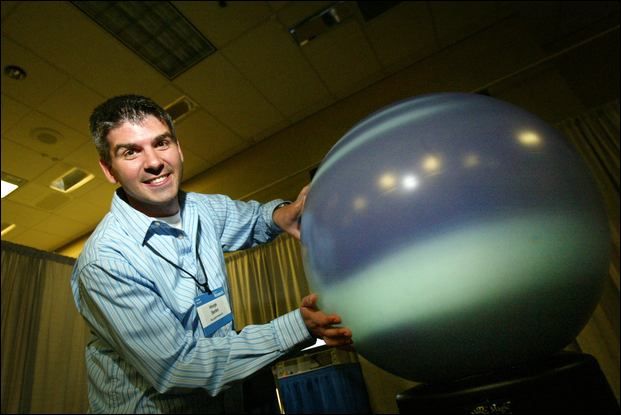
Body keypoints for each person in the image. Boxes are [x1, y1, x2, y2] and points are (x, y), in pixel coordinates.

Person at [70, 94, 353, 413]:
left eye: (161, 143)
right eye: (131, 152)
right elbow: (177, 367)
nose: (153, 162)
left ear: (178, 148)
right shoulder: (106, 261)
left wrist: (282, 215)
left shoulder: (202, 208)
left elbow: (255, 219)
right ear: (109, 169)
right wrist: (298, 326)